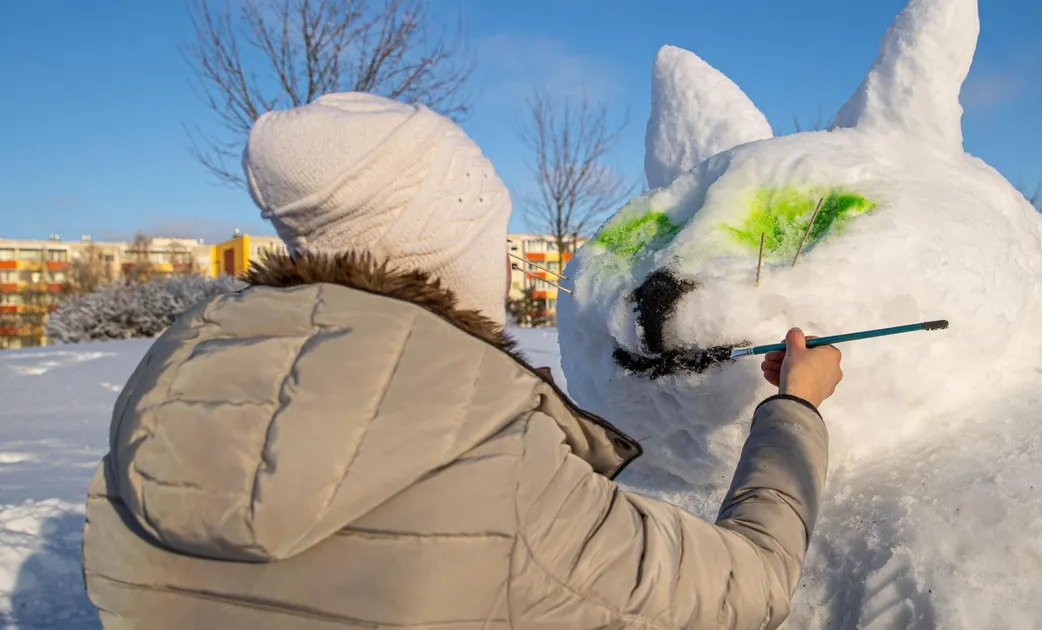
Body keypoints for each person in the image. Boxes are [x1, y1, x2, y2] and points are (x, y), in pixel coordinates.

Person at [81, 92, 842, 629]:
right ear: (450, 252)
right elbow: (749, 587)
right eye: (491, 237)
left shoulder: (156, 403)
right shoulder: (496, 462)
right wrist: (795, 411)